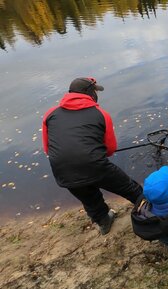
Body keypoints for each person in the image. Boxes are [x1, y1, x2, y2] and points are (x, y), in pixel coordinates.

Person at [42, 77, 143, 235]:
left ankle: (104, 222)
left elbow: (48, 149)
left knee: (89, 199)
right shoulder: (101, 114)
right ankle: (154, 213)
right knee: (131, 189)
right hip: (95, 165)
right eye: (95, 91)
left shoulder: (50, 114)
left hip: (62, 171)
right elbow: (110, 149)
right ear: (89, 92)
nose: (97, 94)